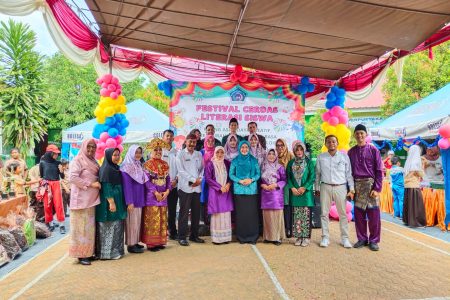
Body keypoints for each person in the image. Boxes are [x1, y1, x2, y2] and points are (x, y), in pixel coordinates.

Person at [348, 124, 383, 251]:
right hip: (357, 186)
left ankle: (374, 240)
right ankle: (362, 238)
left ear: (366, 134)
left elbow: (379, 170)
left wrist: (377, 188)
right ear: (354, 135)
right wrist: (350, 189)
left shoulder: (374, 150)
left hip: (370, 186)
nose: (359, 135)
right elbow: (348, 172)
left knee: (374, 214)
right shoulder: (351, 152)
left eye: (362, 133)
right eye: (357, 133)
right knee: (359, 215)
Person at [315, 135, 354, 249]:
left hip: (341, 187)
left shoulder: (344, 157)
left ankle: (345, 239)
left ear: (337, 143)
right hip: (325, 186)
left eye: (333, 141)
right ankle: (325, 237)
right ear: (325, 144)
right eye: (328, 142)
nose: (331, 143)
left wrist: (351, 189)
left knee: (342, 214)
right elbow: (317, 174)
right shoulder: (321, 157)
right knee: (324, 213)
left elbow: (349, 174)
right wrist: (317, 188)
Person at [69, 139, 101, 266]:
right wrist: (90, 184)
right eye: (89, 146)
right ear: (83, 147)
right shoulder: (78, 160)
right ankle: (81, 255)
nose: (91, 149)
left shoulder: (94, 161)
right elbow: (72, 177)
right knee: (80, 230)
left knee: (89, 230)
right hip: (80, 201)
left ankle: (88, 253)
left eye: (93, 147)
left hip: (91, 200)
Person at [96, 148, 127, 260]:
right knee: (109, 226)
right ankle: (106, 254)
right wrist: (111, 203)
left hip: (117, 200)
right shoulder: (106, 169)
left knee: (117, 225)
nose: (117, 157)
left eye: (118, 155)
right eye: (114, 155)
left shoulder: (115, 168)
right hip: (109, 203)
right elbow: (106, 187)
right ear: (109, 156)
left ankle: (116, 252)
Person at [142, 138, 171, 251]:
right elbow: (147, 181)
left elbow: (168, 179)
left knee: (162, 219)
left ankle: (159, 241)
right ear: (151, 151)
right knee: (152, 219)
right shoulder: (147, 164)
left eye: (160, 149)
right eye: (156, 149)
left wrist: (167, 191)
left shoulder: (165, 164)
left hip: (163, 195)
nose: (158, 151)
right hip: (152, 196)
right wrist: (155, 192)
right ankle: (151, 243)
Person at [229, 140, 261, 244]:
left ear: (249, 148)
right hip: (239, 191)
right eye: (242, 147)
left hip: (251, 191)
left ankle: (253, 237)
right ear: (239, 148)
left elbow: (258, 174)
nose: (244, 149)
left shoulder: (253, 160)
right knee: (241, 215)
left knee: (251, 215)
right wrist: (240, 180)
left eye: (246, 147)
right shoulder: (235, 161)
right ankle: (241, 237)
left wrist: (251, 180)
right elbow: (231, 174)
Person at [176, 133, 205, 246]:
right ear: (186, 142)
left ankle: (194, 236)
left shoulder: (198, 154)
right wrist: (193, 180)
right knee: (183, 213)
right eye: (190, 141)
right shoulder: (180, 154)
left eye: (194, 142)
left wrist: (199, 179)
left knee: (196, 213)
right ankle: (182, 237)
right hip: (185, 187)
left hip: (197, 188)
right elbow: (181, 171)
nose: (192, 144)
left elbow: (202, 169)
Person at [286, 141, 315, 247]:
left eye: (301, 149)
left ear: (303, 150)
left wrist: (304, 187)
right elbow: (288, 177)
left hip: (305, 194)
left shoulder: (309, 162)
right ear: (294, 151)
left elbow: (312, 177)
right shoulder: (291, 163)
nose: (298, 152)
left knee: (306, 215)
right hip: (295, 193)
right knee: (297, 215)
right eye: (296, 150)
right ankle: (299, 236)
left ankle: (306, 237)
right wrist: (292, 187)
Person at [121, 145, 147, 254]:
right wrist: (129, 202)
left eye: (140, 152)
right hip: (132, 200)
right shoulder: (126, 167)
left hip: (139, 198)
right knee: (131, 223)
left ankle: (135, 242)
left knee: (137, 222)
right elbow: (127, 186)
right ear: (131, 152)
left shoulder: (138, 165)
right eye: (136, 152)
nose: (138, 155)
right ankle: (131, 245)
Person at [205, 146, 233, 244]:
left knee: (225, 214)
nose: (220, 155)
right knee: (217, 215)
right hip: (216, 192)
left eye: (221, 152)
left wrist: (228, 184)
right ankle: (217, 239)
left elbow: (232, 175)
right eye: (217, 152)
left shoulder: (227, 163)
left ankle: (226, 238)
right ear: (215, 153)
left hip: (226, 191)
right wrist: (219, 187)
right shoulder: (210, 164)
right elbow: (208, 179)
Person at [260, 149, 286, 245]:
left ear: (276, 156)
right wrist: (263, 185)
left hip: (276, 194)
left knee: (276, 216)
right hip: (265, 194)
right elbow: (259, 180)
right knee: (267, 216)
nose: (271, 156)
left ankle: (277, 237)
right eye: (269, 154)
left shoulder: (280, 167)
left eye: (273, 154)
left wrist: (275, 185)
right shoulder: (263, 167)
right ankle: (268, 237)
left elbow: (284, 180)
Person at [39, 144, 66, 234]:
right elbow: (42, 175)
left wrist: (62, 171)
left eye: (57, 153)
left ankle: (62, 224)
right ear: (50, 153)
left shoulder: (57, 163)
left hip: (56, 184)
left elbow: (62, 176)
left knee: (58, 204)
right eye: (55, 153)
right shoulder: (42, 163)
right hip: (46, 184)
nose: (56, 155)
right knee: (47, 205)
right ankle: (50, 223)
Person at [161, 129, 179, 240]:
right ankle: (162, 233)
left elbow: (180, 169)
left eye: (171, 136)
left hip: (174, 186)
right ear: (163, 137)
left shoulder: (176, 152)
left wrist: (176, 180)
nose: (169, 138)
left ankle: (173, 232)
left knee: (172, 210)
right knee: (162, 210)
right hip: (162, 187)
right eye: (167, 136)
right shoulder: (159, 152)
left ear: (173, 138)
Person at [403, 145, 426, 227]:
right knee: (416, 205)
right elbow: (421, 174)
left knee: (409, 204)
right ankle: (415, 222)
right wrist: (423, 164)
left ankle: (408, 220)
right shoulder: (416, 163)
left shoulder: (408, 162)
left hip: (407, 186)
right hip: (414, 186)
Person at [275, 138, 294, 237]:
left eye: (282, 145)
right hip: (276, 186)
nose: (280, 147)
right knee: (278, 207)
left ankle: (288, 228)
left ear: (285, 145)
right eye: (278, 145)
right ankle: (279, 229)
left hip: (287, 186)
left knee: (286, 206)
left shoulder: (290, 155)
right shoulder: (274, 156)